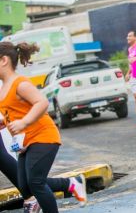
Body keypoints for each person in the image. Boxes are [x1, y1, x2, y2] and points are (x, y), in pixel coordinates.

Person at [0, 42, 87, 213]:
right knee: (25, 186)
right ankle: (72, 183)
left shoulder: (20, 83)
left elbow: (42, 102)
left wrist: (24, 122)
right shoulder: (3, 89)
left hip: (43, 136)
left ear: (3, 60)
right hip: (25, 142)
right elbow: (12, 112)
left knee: (36, 182)